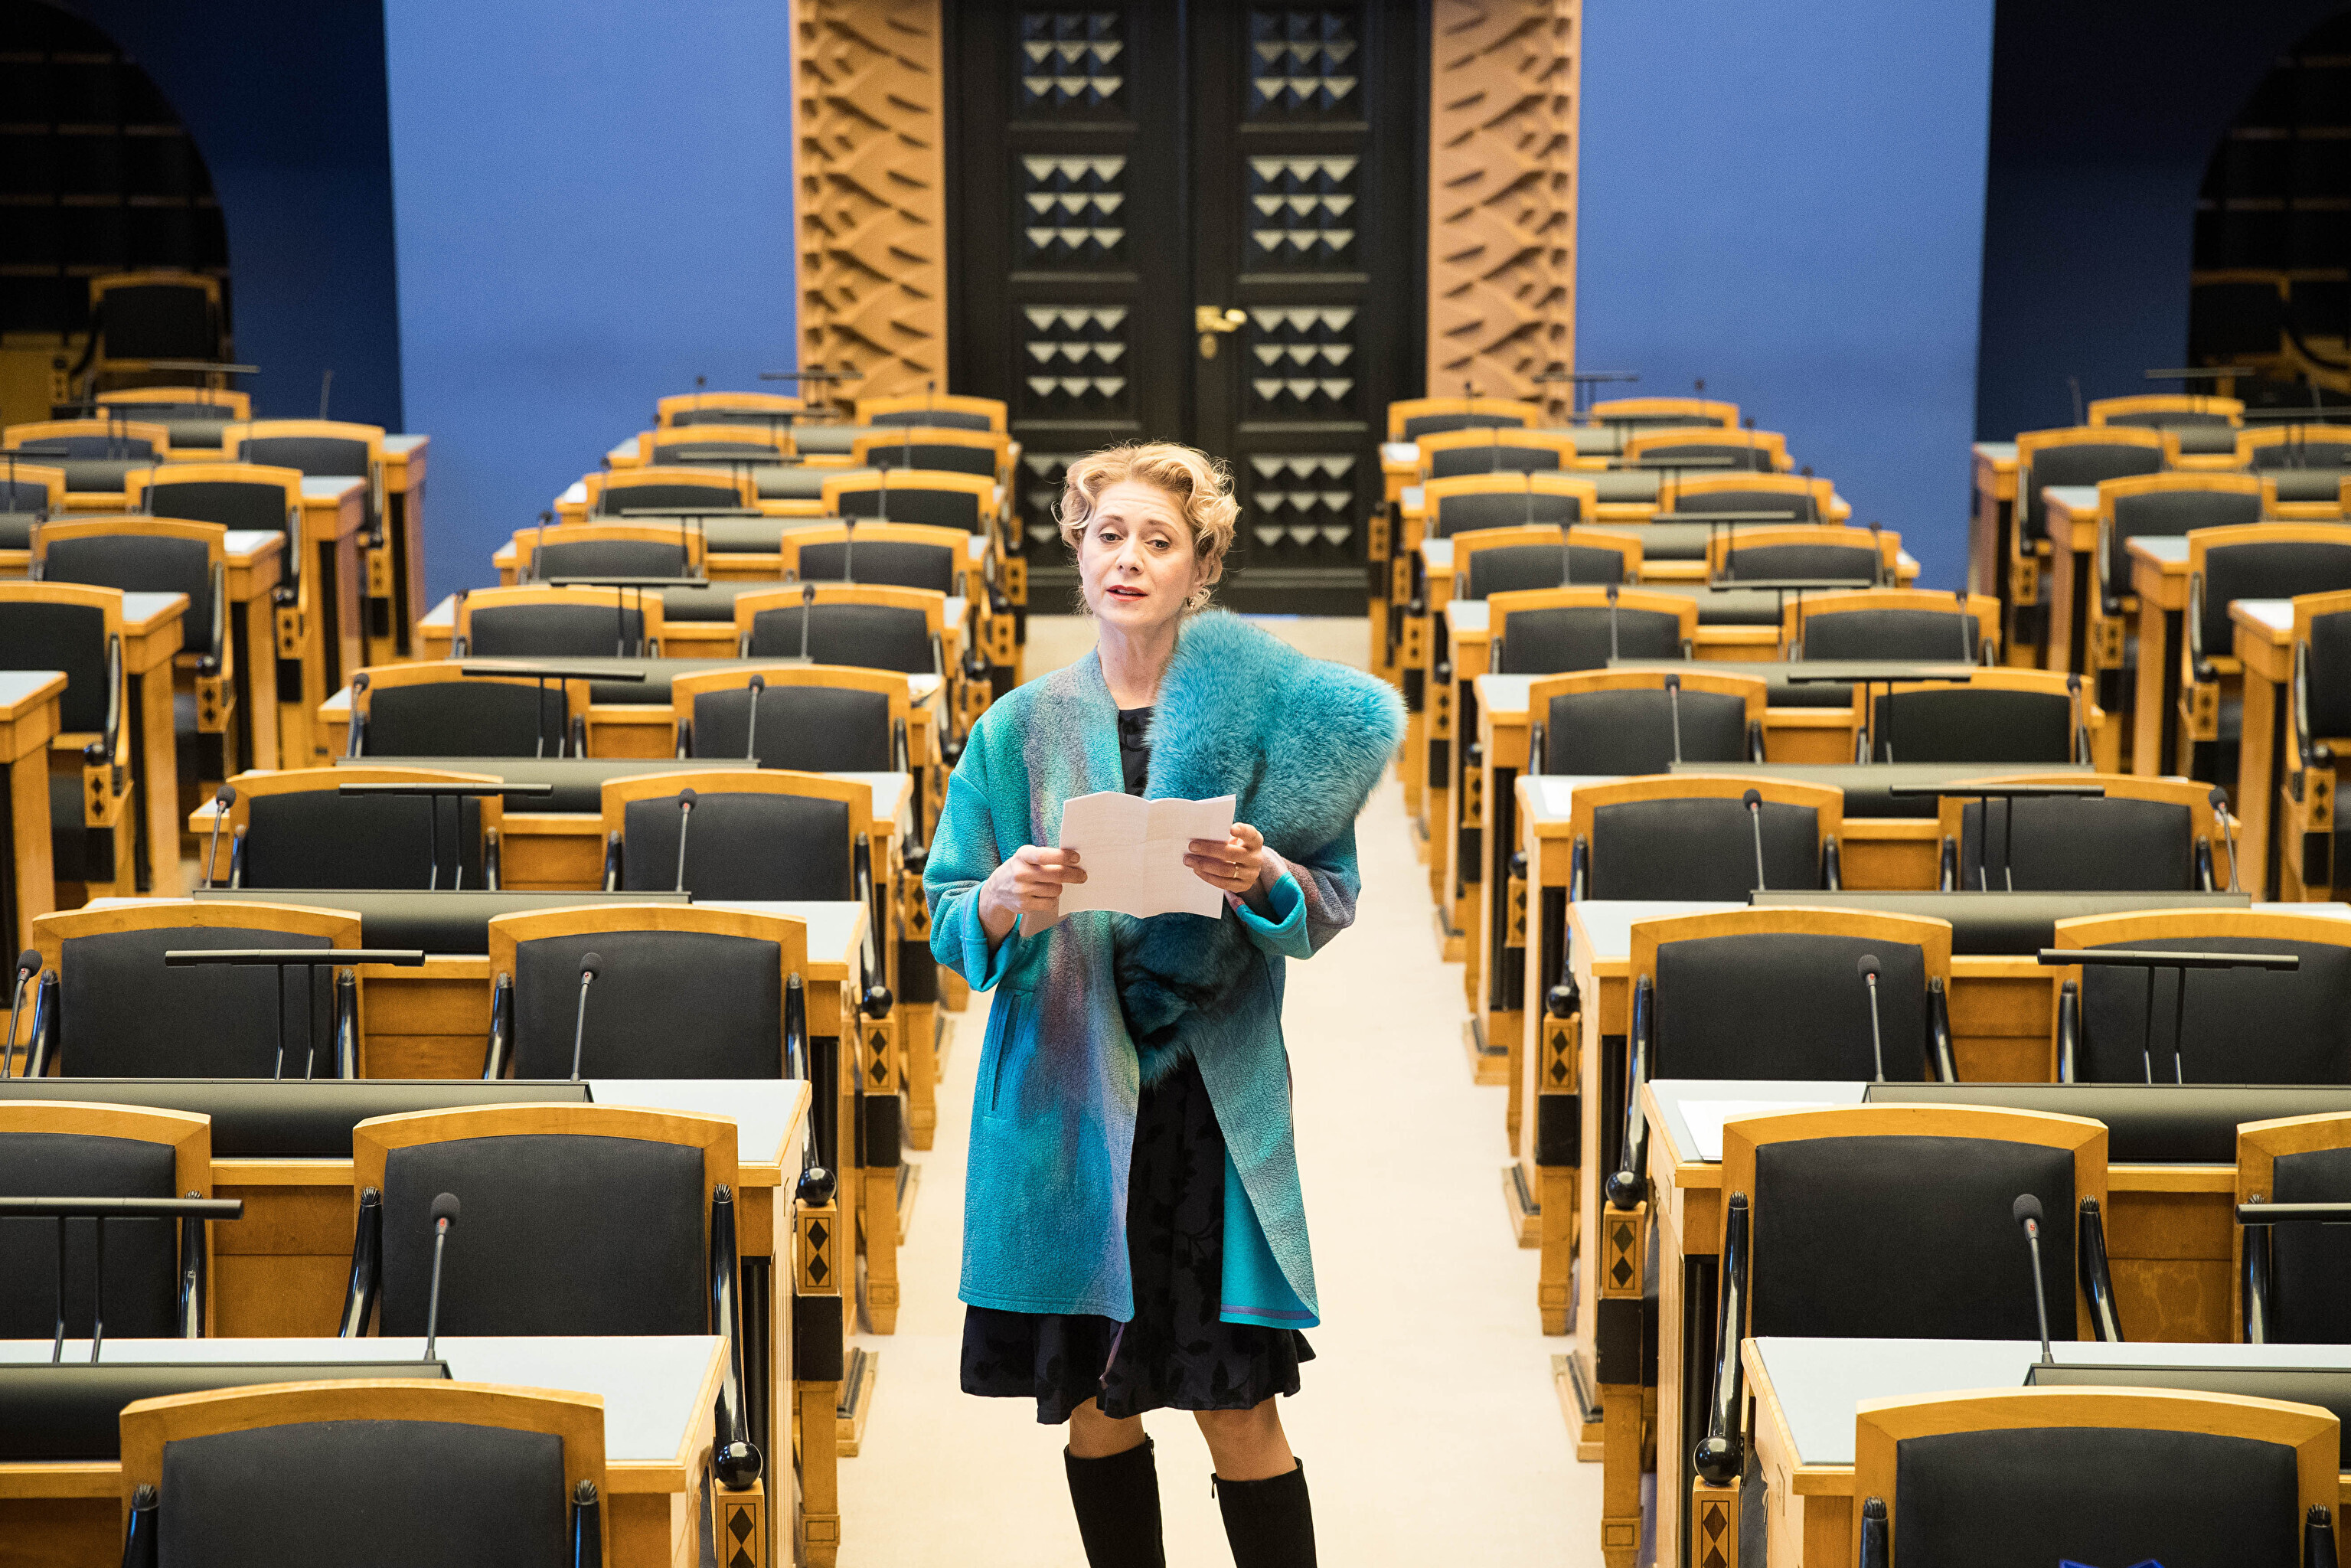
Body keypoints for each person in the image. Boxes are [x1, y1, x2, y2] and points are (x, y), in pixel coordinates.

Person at [924, 443, 1401, 1567]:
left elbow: (1328, 900)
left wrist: (1263, 875)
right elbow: (948, 918)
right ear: (1079, 556)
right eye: (1108, 536)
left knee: (1239, 1409)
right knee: (1098, 1404)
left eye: (1159, 541)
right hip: (1069, 1102)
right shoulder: (1015, 729)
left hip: (1207, 1106)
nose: (1129, 559)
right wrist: (1002, 898)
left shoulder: (1267, 720)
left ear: (1201, 570)